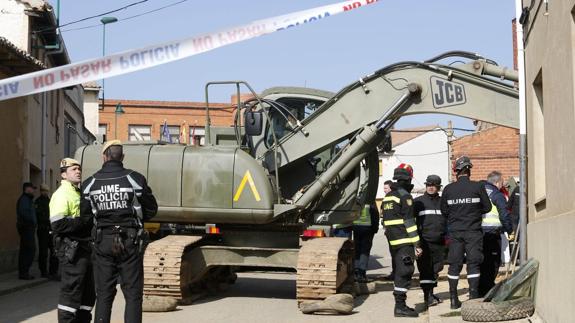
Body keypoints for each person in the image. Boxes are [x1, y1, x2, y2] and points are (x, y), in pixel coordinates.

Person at [82, 140, 158, 323]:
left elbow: (85, 217)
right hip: (130, 240)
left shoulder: (89, 183)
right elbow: (151, 209)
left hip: (103, 240)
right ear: (122, 157)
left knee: (104, 293)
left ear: (104, 157)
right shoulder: (135, 179)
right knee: (132, 293)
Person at [440, 156, 492, 309]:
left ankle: (453, 300)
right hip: (473, 231)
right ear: (469, 170)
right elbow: (487, 207)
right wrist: (474, 213)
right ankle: (474, 298)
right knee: (473, 263)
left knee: (454, 265)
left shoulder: (449, 189)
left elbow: (444, 211)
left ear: (456, 171)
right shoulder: (477, 187)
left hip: (455, 232)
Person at [50, 158, 95, 322]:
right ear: (63, 174)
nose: (78, 171)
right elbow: (58, 225)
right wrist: (83, 221)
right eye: (73, 169)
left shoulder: (78, 192)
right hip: (72, 249)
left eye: (79, 169)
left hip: (84, 248)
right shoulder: (62, 194)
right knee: (71, 292)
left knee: (87, 294)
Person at [381, 164, 421, 318]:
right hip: (404, 241)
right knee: (405, 271)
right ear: (409, 177)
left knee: (400, 271)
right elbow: (409, 222)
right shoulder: (404, 196)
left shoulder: (389, 196)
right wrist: (417, 244)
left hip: (394, 242)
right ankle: (400, 306)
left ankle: (400, 305)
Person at [479, 171, 513, 296]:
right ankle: (488, 289)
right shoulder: (497, 194)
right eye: (502, 182)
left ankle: (480, 287)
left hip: (478, 233)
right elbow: (504, 214)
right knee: (493, 263)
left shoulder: (479, 192)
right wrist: (510, 230)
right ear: (498, 182)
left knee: (482, 262)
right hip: (492, 233)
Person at [414, 175, 446, 308]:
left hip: (439, 242)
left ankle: (430, 293)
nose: (430, 187)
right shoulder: (418, 202)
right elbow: (411, 223)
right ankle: (428, 296)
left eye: (433, 185)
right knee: (425, 270)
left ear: (438, 187)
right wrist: (416, 244)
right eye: (428, 185)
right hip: (424, 243)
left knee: (436, 269)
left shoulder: (443, 202)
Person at [352, 202, 379, 283]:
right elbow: (375, 215)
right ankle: (362, 274)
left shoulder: (356, 200)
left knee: (357, 250)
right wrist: (375, 229)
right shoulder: (370, 200)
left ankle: (356, 273)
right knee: (364, 251)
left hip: (356, 227)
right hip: (367, 229)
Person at [35, 184, 58, 278]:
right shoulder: (38, 202)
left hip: (51, 229)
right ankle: (43, 272)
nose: (45, 192)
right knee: (43, 252)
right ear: (41, 191)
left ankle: (53, 272)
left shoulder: (50, 201)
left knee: (54, 250)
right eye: (43, 190)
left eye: (46, 191)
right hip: (42, 229)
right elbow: (39, 216)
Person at [16, 182, 37, 280]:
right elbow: (24, 213)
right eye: (32, 188)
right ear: (27, 189)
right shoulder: (24, 199)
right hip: (26, 227)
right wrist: (32, 222)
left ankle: (24, 272)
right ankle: (24, 273)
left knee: (27, 250)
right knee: (29, 250)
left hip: (27, 227)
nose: (33, 190)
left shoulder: (28, 199)